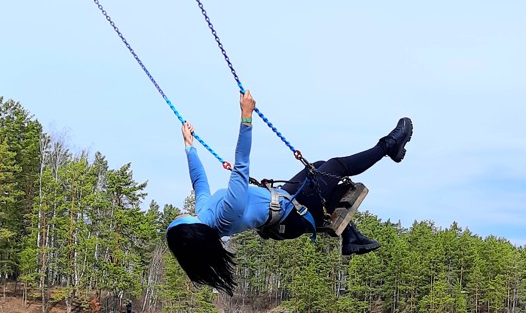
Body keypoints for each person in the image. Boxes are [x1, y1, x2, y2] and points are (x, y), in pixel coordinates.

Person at [165, 90, 413, 295]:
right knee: (336, 167)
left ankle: (351, 236)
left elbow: (199, 182)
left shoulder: (204, 213)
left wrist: (189, 147)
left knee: (317, 167)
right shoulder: (224, 216)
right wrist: (246, 118)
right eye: (173, 223)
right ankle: (388, 146)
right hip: (290, 217)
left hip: (283, 201)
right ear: (186, 227)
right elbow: (241, 166)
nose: (174, 217)